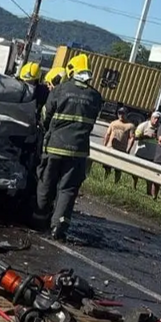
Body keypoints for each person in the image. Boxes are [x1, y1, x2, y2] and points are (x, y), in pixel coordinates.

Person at [34, 54, 103, 241]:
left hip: (55, 147)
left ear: (72, 70)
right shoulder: (95, 96)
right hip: (78, 152)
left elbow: (45, 116)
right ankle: (59, 227)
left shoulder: (60, 90)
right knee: (68, 189)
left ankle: (40, 221)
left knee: (46, 183)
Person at [102, 107, 136, 184]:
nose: (121, 115)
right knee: (107, 167)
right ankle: (105, 180)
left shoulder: (130, 125)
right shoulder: (113, 123)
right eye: (119, 113)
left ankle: (116, 183)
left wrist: (128, 150)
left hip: (121, 150)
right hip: (110, 148)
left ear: (127, 114)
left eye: (123, 113)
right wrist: (104, 145)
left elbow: (131, 138)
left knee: (118, 169)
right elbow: (107, 134)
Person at [133, 111, 161, 192]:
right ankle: (134, 187)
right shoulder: (143, 125)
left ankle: (148, 192)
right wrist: (145, 136)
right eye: (155, 118)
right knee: (136, 172)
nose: (156, 120)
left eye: (158, 119)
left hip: (152, 156)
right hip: (141, 153)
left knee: (150, 175)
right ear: (151, 118)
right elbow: (135, 137)